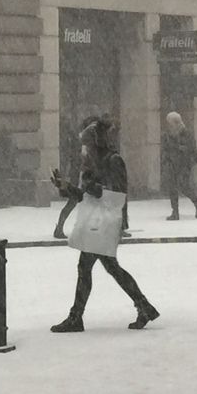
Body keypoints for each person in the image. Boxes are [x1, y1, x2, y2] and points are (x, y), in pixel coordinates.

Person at [50, 130, 159, 333]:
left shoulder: (113, 161)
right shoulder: (96, 163)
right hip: (98, 221)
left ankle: (76, 317)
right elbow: (85, 195)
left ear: (96, 144)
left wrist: (94, 187)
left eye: (88, 145)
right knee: (110, 267)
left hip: (106, 222)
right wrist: (65, 187)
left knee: (87, 267)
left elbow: (116, 193)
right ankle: (144, 307)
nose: (85, 150)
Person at [160, 111, 197, 220]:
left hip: (184, 164)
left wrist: (179, 149)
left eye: (170, 123)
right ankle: (175, 212)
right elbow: (164, 149)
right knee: (172, 188)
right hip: (171, 163)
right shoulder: (167, 134)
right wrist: (165, 159)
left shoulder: (186, 133)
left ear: (176, 122)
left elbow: (190, 148)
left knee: (184, 186)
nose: (168, 125)